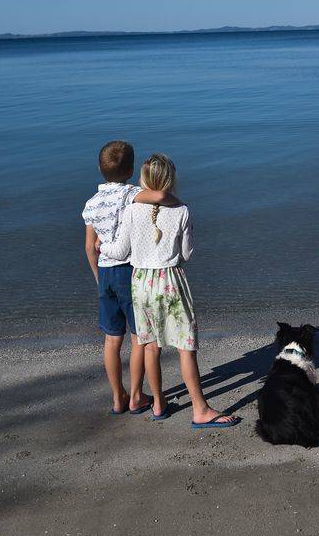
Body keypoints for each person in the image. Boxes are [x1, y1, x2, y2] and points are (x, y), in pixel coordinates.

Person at [100, 153, 239, 429]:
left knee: (150, 346)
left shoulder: (131, 208)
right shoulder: (182, 210)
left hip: (140, 282)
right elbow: (186, 254)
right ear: (171, 180)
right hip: (170, 281)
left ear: (143, 180)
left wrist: (100, 248)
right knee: (186, 348)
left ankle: (159, 404)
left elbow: (121, 251)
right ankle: (199, 409)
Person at [82, 140, 168, 416]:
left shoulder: (92, 204)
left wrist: (98, 276)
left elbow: (88, 246)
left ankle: (117, 397)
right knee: (139, 337)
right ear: (131, 169)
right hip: (130, 271)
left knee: (111, 339)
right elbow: (157, 197)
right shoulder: (131, 194)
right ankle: (135, 395)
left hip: (105, 273)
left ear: (99, 168)